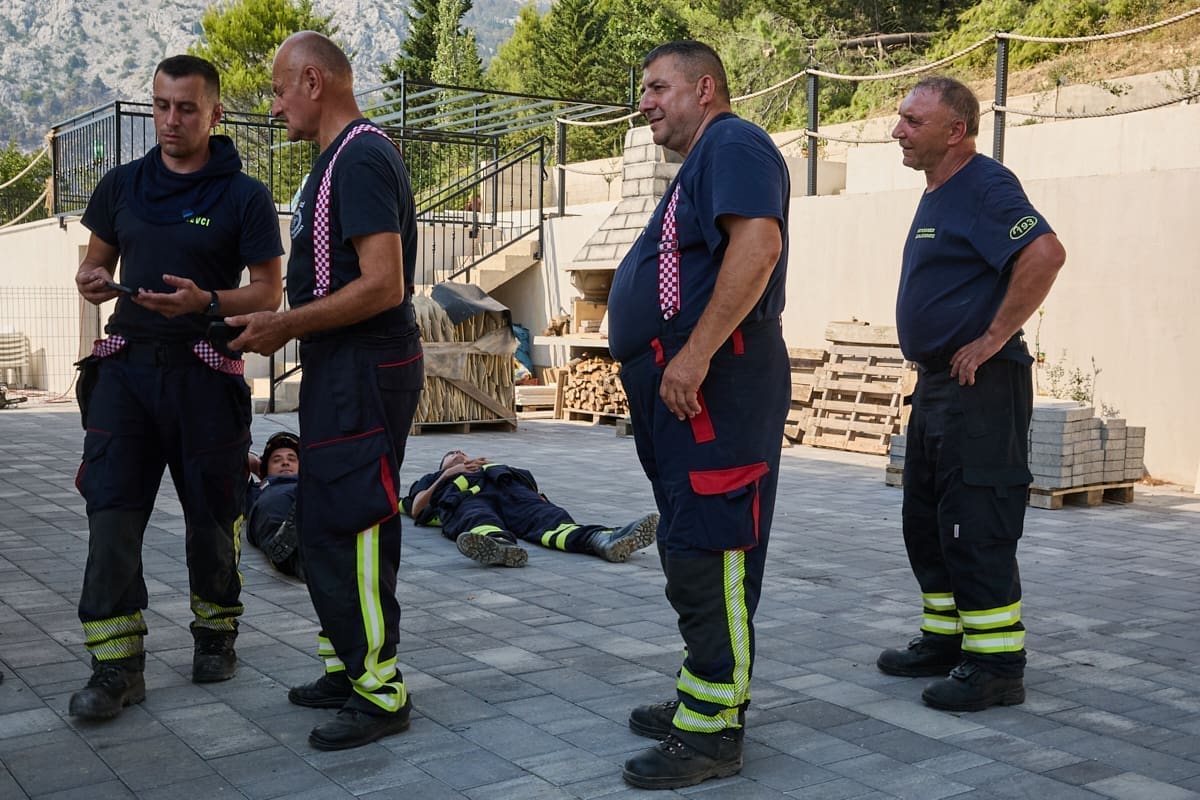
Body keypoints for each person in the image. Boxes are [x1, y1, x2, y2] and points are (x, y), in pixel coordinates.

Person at [70, 55, 284, 721]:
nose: (170, 120)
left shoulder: (243, 196)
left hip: (205, 375)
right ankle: (116, 667)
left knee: (213, 520)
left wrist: (206, 301)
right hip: (125, 374)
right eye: (161, 105)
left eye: (186, 108)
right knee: (111, 516)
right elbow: (95, 263)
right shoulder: (121, 185)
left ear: (214, 114)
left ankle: (216, 635)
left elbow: (268, 292)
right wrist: (91, 281)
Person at [229, 31, 423, 751]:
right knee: (325, 519)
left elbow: (384, 284)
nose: (275, 107)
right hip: (342, 368)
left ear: (313, 82)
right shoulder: (335, 160)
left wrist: (283, 326)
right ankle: (348, 667)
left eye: (279, 91)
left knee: (357, 520)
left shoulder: (362, 157)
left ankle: (380, 692)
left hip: (364, 369)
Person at [605, 41, 792, 790]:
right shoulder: (704, 159)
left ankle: (712, 732)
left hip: (714, 387)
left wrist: (693, 355)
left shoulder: (733, 142)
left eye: (658, 87)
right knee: (694, 545)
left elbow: (759, 245)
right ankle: (708, 694)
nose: (645, 103)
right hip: (688, 392)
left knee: (710, 548)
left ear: (705, 88)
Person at [877, 76, 1066, 712]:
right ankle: (946, 640)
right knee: (928, 520)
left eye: (913, 122)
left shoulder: (984, 185)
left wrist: (991, 337)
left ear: (956, 131)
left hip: (979, 386)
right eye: (901, 118)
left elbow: (1045, 253)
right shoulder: (940, 190)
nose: (898, 131)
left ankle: (995, 666)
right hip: (939, 386)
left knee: (975, 522)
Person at [402, 450, 659, 566]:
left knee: (548, 518)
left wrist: (538, 498)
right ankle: (498, 546)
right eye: (450, 454)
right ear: (442, 464)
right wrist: (448, 473)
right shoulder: (435, 478)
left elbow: (530, 488)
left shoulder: (494, 467)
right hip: (468, 498)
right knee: (476, 516)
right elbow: (416, 508)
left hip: (510, 493)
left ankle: (603, 540)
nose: (458, 452)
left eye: (461, 452)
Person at [245, 431, 303, 580]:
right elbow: (235, 458)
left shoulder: (308, 486)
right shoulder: (257, 490)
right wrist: (257, 466)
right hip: (273, 524)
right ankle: (292, 556)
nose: (285, 463)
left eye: (292, 459)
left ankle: (300, 560)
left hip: (303, 508)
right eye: (276, 460)